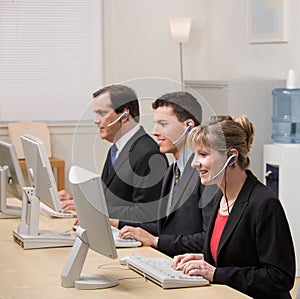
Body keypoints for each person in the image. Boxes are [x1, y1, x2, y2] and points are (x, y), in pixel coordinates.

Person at [172, 115, 295, 299]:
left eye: (203, 155)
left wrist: (216, 273)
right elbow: (239, 256)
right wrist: (203, 259)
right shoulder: (220, 197)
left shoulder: (264, 204)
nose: (194, 163)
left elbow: (279, 277)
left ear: (231, 157)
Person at [111, 91, 216, 257]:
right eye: (155, 124)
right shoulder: (172, 171)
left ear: (188, 125)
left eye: (163, 124)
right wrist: (117, 223)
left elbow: (208, 240)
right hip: (170, 261)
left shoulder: (204, 173)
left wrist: (156, 241)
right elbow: (165, 228)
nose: (155, 131)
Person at [60, 84, 168, 223]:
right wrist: (80, 202)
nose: (96, 120)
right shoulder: (116, 149)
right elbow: (110, 199)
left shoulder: (149, 154)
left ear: (124, 116)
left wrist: (93, 209)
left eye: (102, 113)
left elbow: (145, 214)